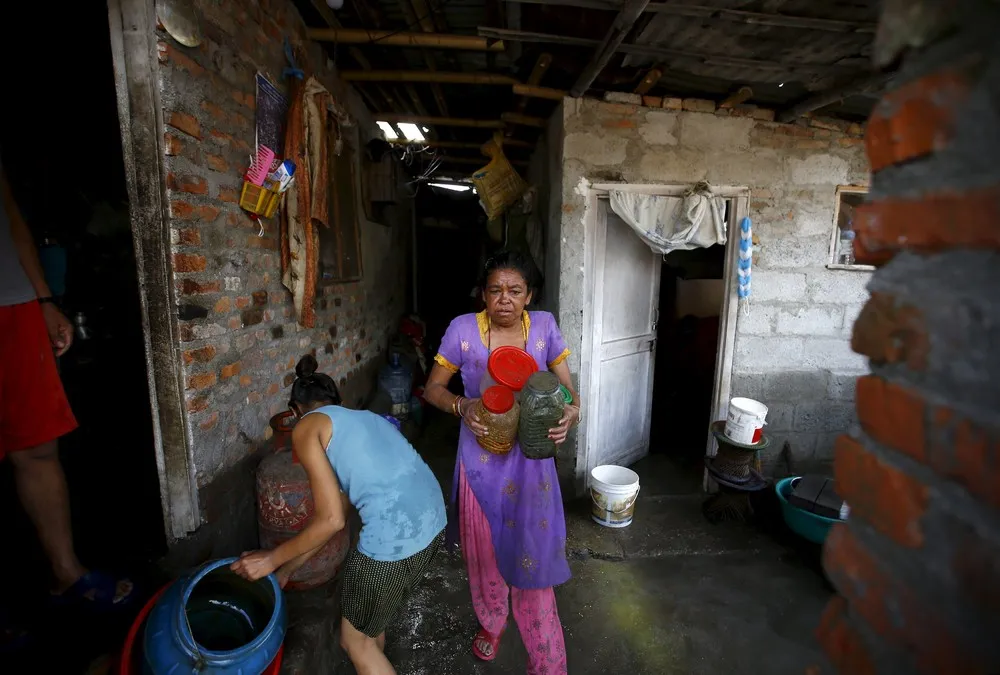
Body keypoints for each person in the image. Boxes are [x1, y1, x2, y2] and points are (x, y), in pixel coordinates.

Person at [232, 355, 446, 675]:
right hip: (434, 526)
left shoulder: (307, 426)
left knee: (354, 642)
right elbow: (335, 517)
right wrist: (289, 569)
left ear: (294, 412)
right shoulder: (363, 420)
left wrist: (270, 559)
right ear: (338, 402)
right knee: (369, 629)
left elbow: (332, 520)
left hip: (393, 540)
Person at [424, 250, 581, 675]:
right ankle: (492, 624)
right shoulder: (462, 330)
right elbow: (433, 388)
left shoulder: (544, 327)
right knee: (485, 555)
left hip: (532, 465)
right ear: (483, 294)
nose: (504, 299)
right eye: (495, 290)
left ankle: (547, 660)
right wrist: (460, 406)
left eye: (515, 290)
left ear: (529, 295)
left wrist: (569, 414)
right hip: (480, 462)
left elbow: (569, 395)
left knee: (533, 558)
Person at [0, 162, 134, 621]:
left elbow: (8, 212)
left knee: (37, 444)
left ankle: (66, 573)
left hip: (10, 302)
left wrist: (42, 300)